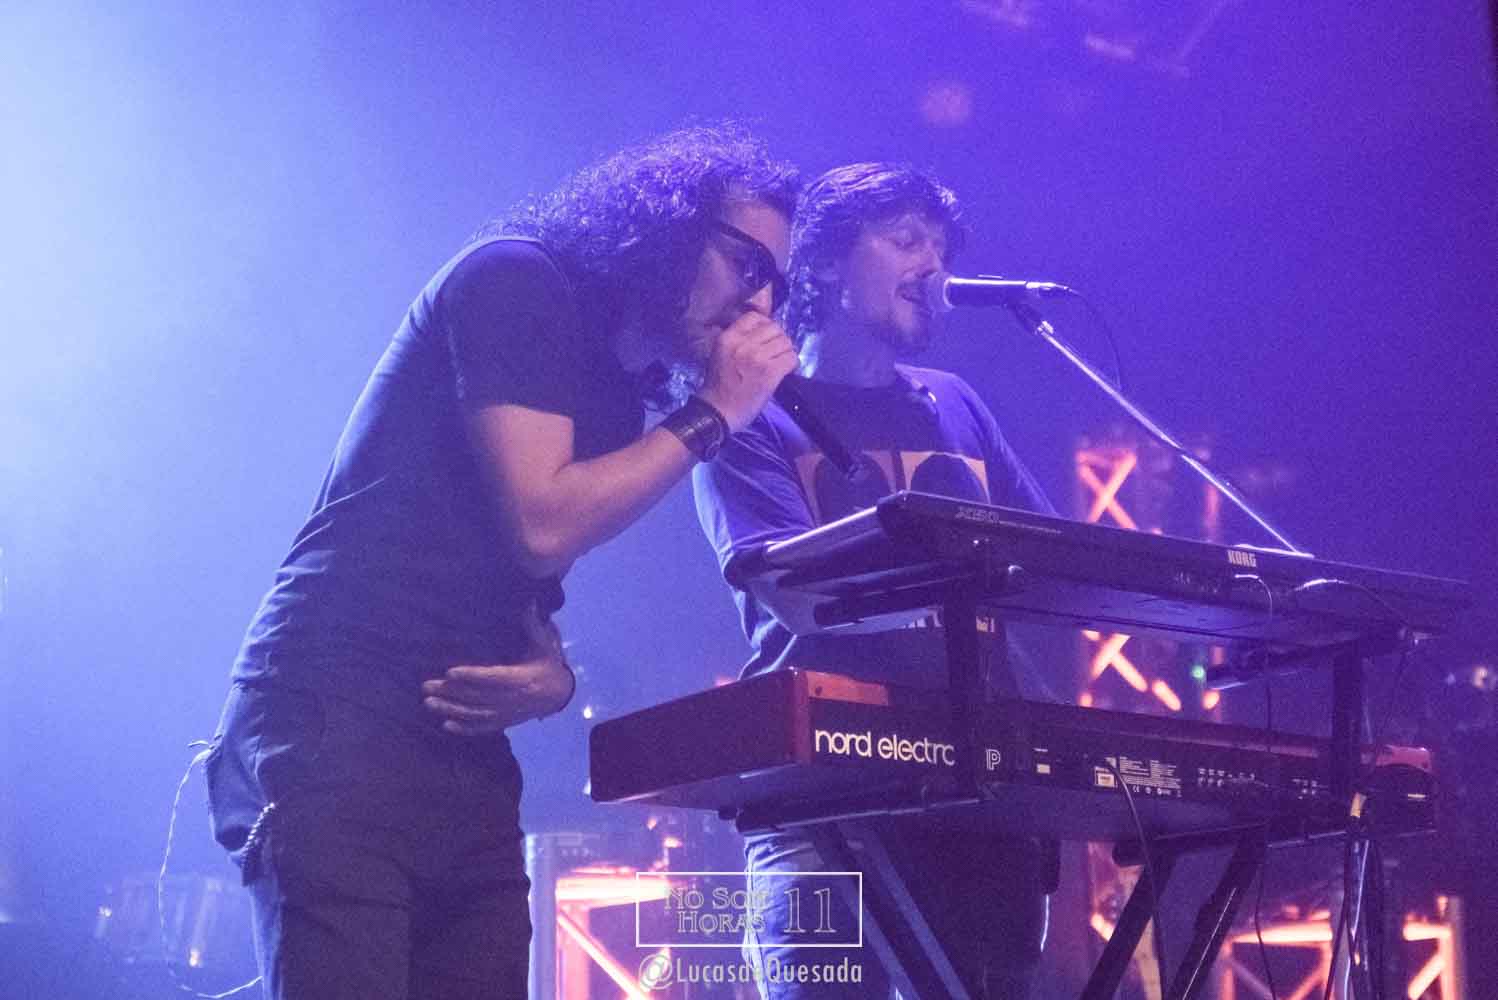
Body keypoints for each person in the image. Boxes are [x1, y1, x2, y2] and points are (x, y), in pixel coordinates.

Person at [205, 125, 800, 1000]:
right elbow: (543, 525)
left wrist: (555, 679)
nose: (759, 306)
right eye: (747, 264)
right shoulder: (516, 280)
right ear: (670, 226)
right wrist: (714, 412)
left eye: (778, 285)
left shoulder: (615, 386)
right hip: (338, 710)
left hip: (462, 745)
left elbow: (523, 577)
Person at [693, 163, 1055, 998]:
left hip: (978, 787)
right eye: (905, 240)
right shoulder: (753, 409)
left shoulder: (956, 403)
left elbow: (1046, 562)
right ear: (823, 263)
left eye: (941, 248)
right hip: (822, 790)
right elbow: (788, 586)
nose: (932, 264)